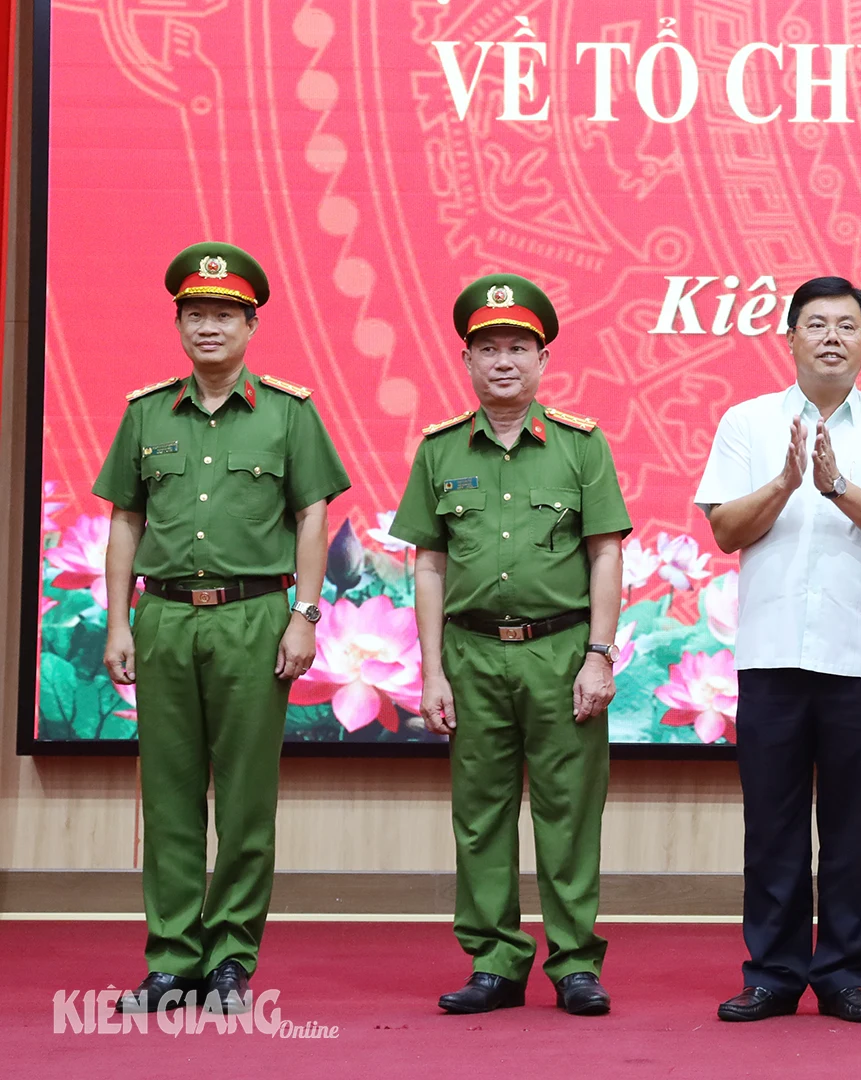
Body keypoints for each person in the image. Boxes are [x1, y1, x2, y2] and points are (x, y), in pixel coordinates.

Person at [97, 243, 351, 1014]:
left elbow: (314, 514)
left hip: (253, 617)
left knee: (245, 798)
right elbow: (125, 519)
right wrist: (118, 621)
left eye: (225, 315)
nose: (209, 327)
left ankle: (232, 957)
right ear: (179, 322)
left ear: (250, 324)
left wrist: (304, 615)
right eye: (196, 314)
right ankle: (172, 958)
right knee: (169, 795)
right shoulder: (146, 412)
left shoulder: (288, 412)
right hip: (166, 617)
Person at [694, 276, 861, 1025]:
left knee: (853, 828)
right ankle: (771, 973)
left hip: (859, 659)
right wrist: (786, 482)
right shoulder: (747, 422)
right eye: (816, 325)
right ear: (790, 338)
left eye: (847, 326)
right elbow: (728, 530)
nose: (832, 337)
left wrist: (834, 488)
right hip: (769, 656)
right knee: (771, 823)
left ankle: (842, 972)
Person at [389, 274, 631, 1016]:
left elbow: (605, 553)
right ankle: (494, 960)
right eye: (488, 348)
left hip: (559, 654)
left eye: (518, 347)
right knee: (481, 811)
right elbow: (428, 564)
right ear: (466, 360)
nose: (504, 361)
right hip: (470, 654)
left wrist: (599, 653)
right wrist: (431, 670)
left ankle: (575, 963)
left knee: (568, 809)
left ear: (543, 359)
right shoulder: (437, 451)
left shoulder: (581, 447)